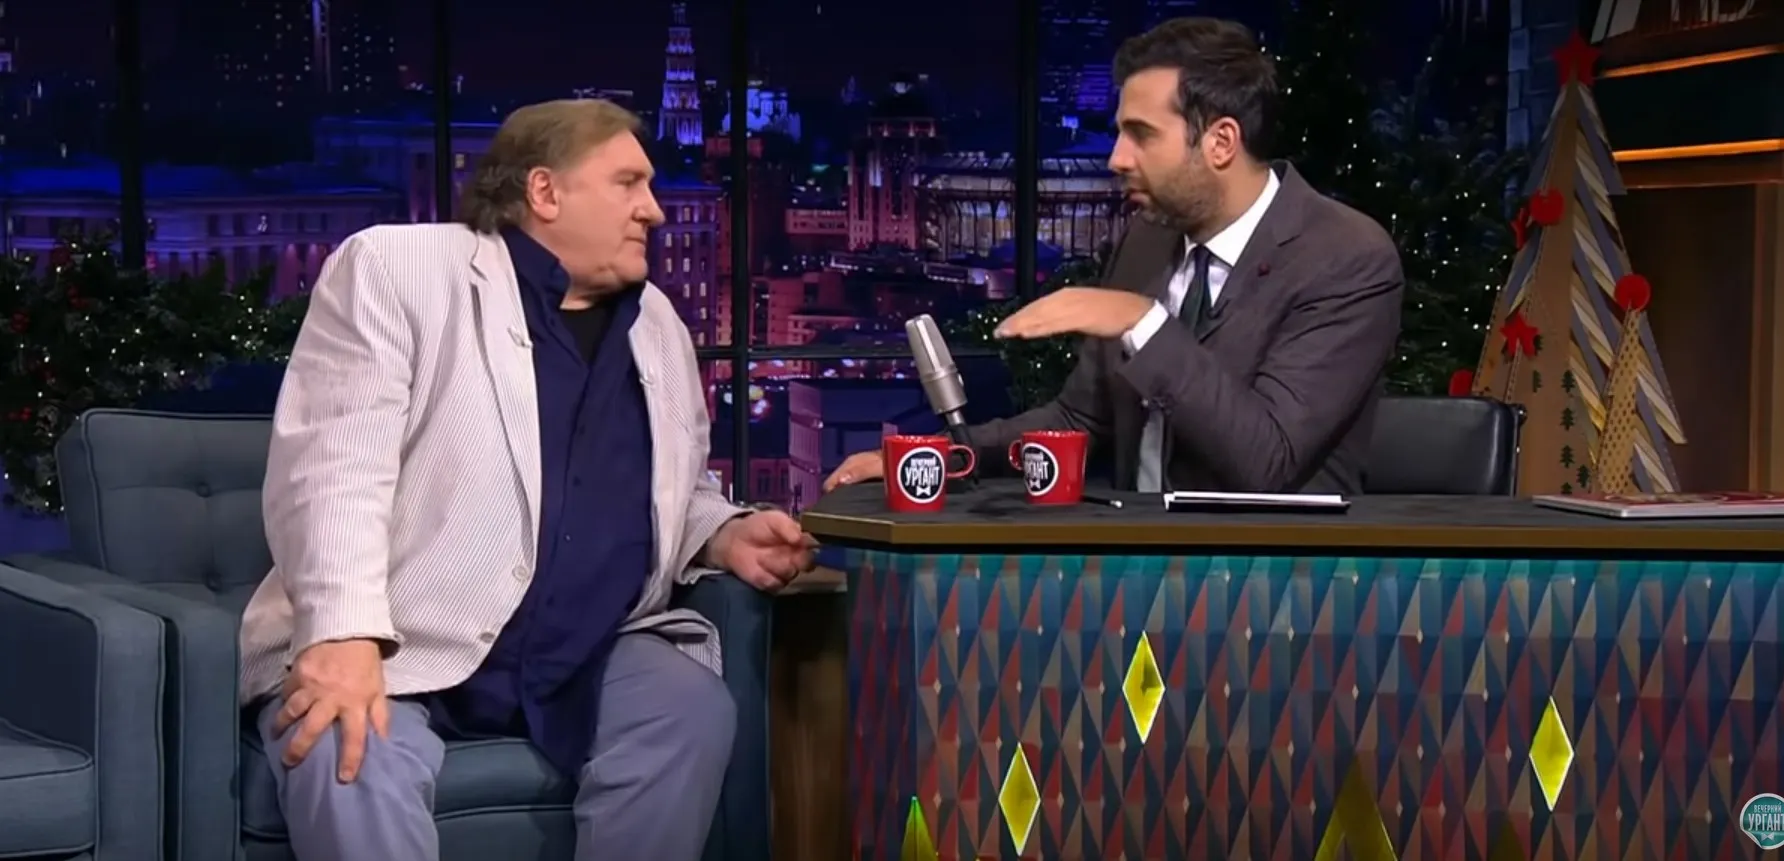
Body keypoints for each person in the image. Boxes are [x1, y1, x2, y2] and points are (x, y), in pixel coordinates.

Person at [237, 99, 817, 861]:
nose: (653, 210)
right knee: (342, 750)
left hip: (590, 645)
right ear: (544, 191)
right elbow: (332, 469)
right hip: (403, 639)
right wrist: (342, 633)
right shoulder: (398, 270)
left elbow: (663, 488)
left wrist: (721, 531)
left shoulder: (659, 323)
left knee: (689, 708)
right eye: (628, 184)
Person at [824, 18, 1403, 496]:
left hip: (1276, 579)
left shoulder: (1345, 257)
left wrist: (1141, 320)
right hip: (1131, 572)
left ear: (1221, 142)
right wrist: (940, 457)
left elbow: (1267, 461)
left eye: (1141, 135)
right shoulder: (1146, 240)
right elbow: (1079, 419)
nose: (1117, 158)